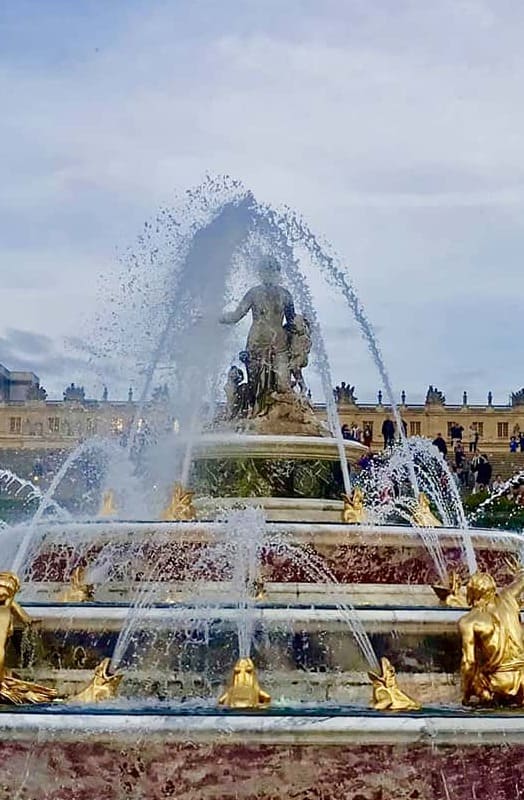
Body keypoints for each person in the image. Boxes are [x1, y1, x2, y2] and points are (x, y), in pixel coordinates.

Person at [459, 570, 524, 706]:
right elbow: (521, 582)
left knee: (475, 672)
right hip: (522, 677)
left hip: (499, 682)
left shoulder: (469, 621)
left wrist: (465, 691)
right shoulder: (508, 598)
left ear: (471, 592)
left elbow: (468, 662)